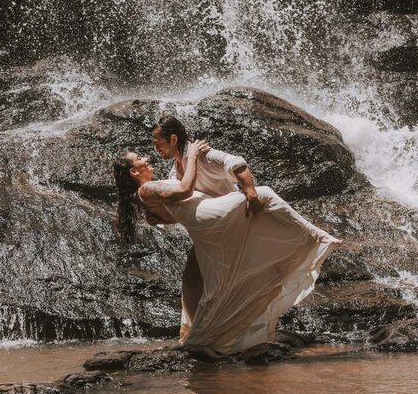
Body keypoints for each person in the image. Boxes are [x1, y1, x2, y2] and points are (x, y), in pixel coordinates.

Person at [112, 140, 339, 359]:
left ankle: (198, 336)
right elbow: (184, 190)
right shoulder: (147, 189)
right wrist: (191, 157)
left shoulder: (153, 187)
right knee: (266, 193)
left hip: (204, 225)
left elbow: (176, 212)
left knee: (199, 284)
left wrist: (161, 217)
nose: (148, 157)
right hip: (211, 218)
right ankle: (317, 237)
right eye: (140, 158)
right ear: (134, 172)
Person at [149, 115, 262, 341]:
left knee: (229, 284)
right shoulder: (176, 171)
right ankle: (193, 333)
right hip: (210, 231)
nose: (156, 149)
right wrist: (165, 219)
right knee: (191, 280)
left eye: (158, 143)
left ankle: (233, 335)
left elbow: (236, 163)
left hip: (232, 223)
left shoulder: (202, 153)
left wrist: (251, 192)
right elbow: (188, 207)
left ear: (173, 138)